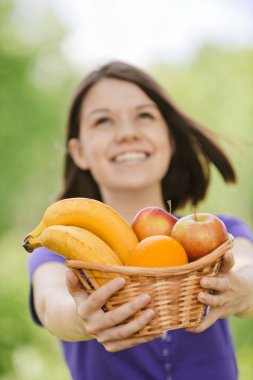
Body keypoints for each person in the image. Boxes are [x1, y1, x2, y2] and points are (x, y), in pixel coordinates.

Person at [28, 60, 253, 380]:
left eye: (144, 116)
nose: (127, 133)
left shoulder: (221, 231)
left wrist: (240, 289)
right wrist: (82, 318)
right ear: (78, 152)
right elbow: (51, 304)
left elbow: (248, 271)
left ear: (169, 139)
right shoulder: (63, 245)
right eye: (103, 121)